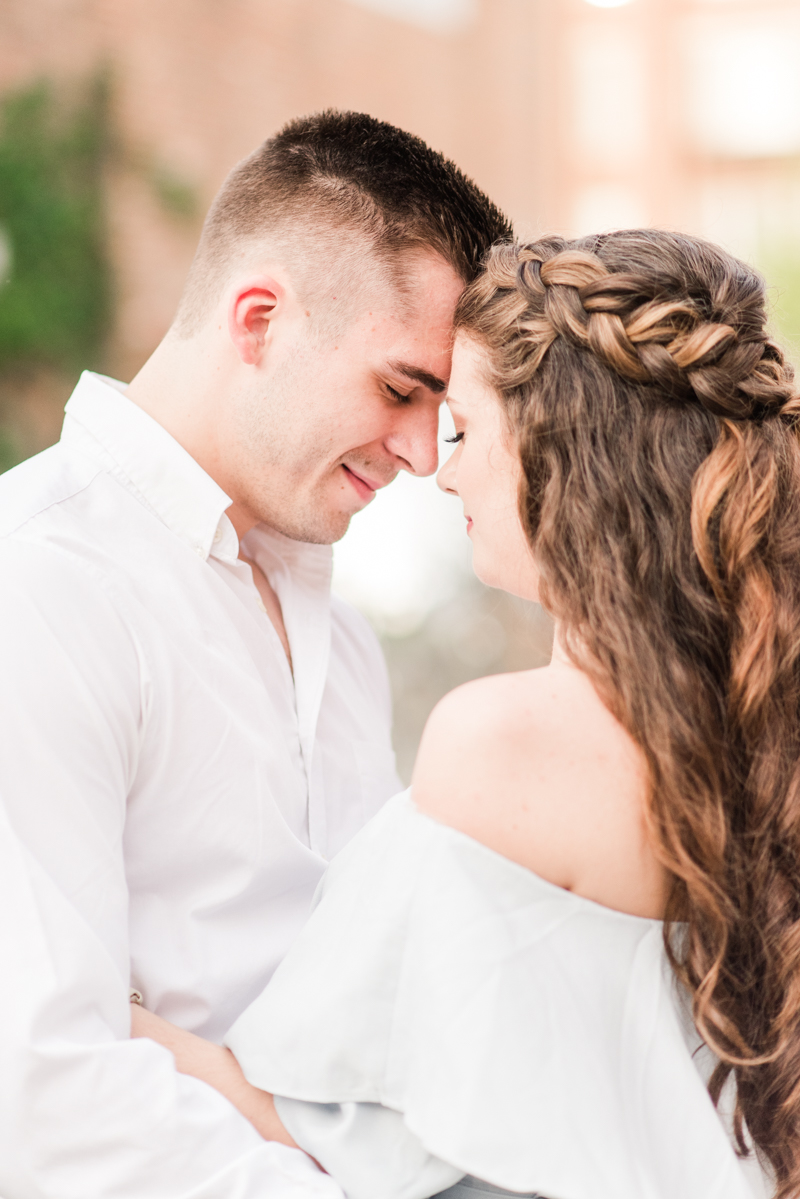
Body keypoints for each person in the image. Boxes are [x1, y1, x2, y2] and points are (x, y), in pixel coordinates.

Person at [132, 229, 795, 1199]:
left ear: (562, 455)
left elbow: (335, 1133)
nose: (442, 473)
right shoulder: (758, 731)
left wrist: (104, 1005)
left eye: (464, 430)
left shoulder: (502, 740)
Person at [0, 110, 511, 1199]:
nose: (424, 455)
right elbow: (45, 1095)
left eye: (444, 412)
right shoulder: (38, 587)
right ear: (260, 318)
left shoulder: (346, 638)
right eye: (399, 389)